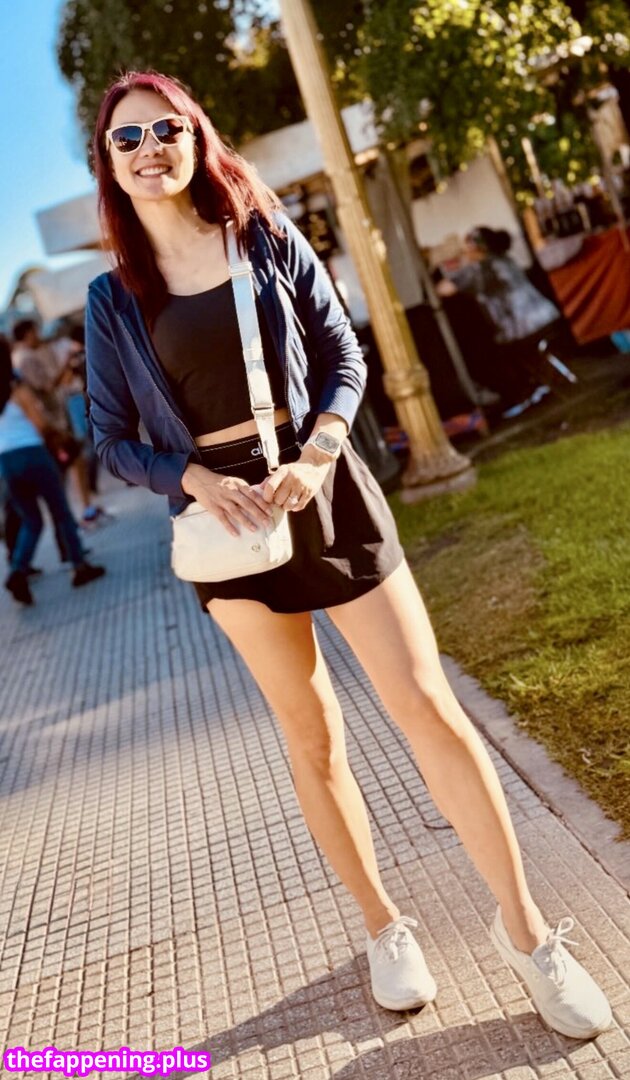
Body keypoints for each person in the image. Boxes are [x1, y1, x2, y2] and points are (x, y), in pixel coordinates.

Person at [85, 70, 611, 1040]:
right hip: (228, 525)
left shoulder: (263, 236)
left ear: (196, 137)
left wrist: (322, 449)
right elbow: (111, 439)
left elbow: (343, 357)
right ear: (109, 165)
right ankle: (383, 928)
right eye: (128, 138)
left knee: (426, 706)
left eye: (166, 129)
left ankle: (528, 934)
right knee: (312, 735)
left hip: (326, 491)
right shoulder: (112, 299)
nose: (150, 147)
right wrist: (194, 479)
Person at [0, 364, 106, 606]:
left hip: (6, 462)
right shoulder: (18, 391)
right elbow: (40, 424)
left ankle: (17, 571)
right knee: (61, 513)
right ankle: (79, 566)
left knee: (31, 520)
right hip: (33, 454)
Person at [437, 227, 566, 411]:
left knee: (490, 352)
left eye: (466, 247)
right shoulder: (505, 259)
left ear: (477, 248)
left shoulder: (481, 269)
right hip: (547, 317)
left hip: (523, 329)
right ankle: (541, 383)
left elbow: (443, 289)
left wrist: (456, 262)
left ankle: (526, 391)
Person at [12, 320, 110, 528]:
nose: (38, 335)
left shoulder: (23, 358)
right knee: (71, 463)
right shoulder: (25, 359)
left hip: (52, 422)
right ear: (27, 334)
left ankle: (79, 513)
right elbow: (47, 387)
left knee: (71, 464)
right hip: (52, 423)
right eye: (35, 331)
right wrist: (65, 364)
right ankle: (79, 514)